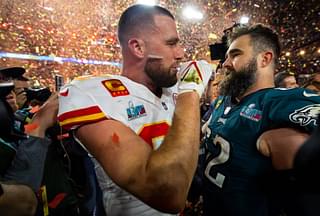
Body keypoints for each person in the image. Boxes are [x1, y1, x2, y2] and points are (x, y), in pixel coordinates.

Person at [58, 4, 212, 215]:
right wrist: (191, 91)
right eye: (171, 43)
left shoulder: (174, 87)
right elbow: (167, 193)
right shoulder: (91, 94)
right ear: (138, 48)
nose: (180, 53)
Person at [201, 24, 320, 216]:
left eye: (235, 55)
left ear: (264, 58)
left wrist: (299, 145)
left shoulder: (281, 100)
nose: (225, 64)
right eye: (227, 56)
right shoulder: (222, 101)